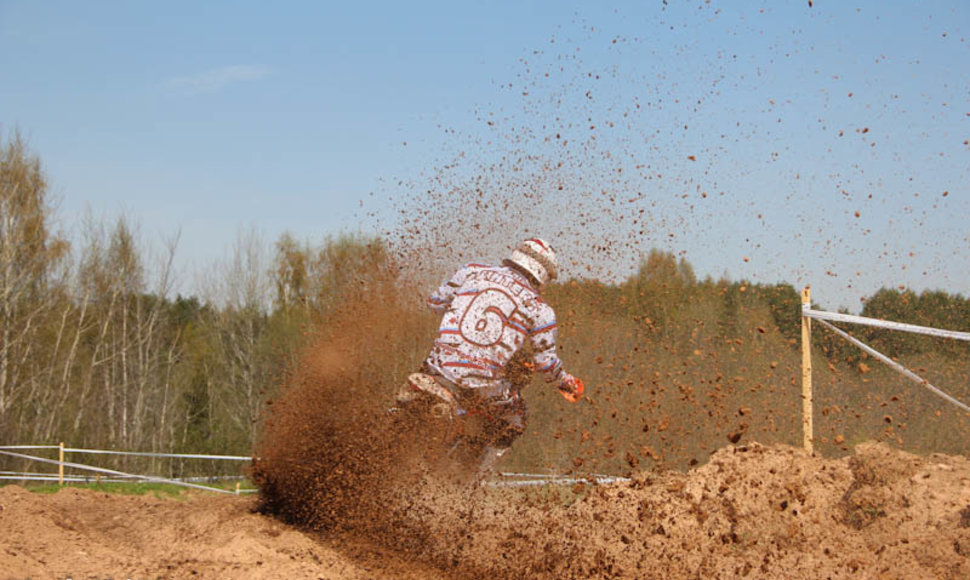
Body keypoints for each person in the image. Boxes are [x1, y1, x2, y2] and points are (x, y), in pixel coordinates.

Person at [400, 237, 584, 476]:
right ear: (542, 274)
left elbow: (435, 303)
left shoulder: (472, 271)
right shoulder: (540, 310)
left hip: (437, 367)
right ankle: (470, 479)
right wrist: (567, 382)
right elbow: (546, 364)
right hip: (481, 384)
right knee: (517, 417)